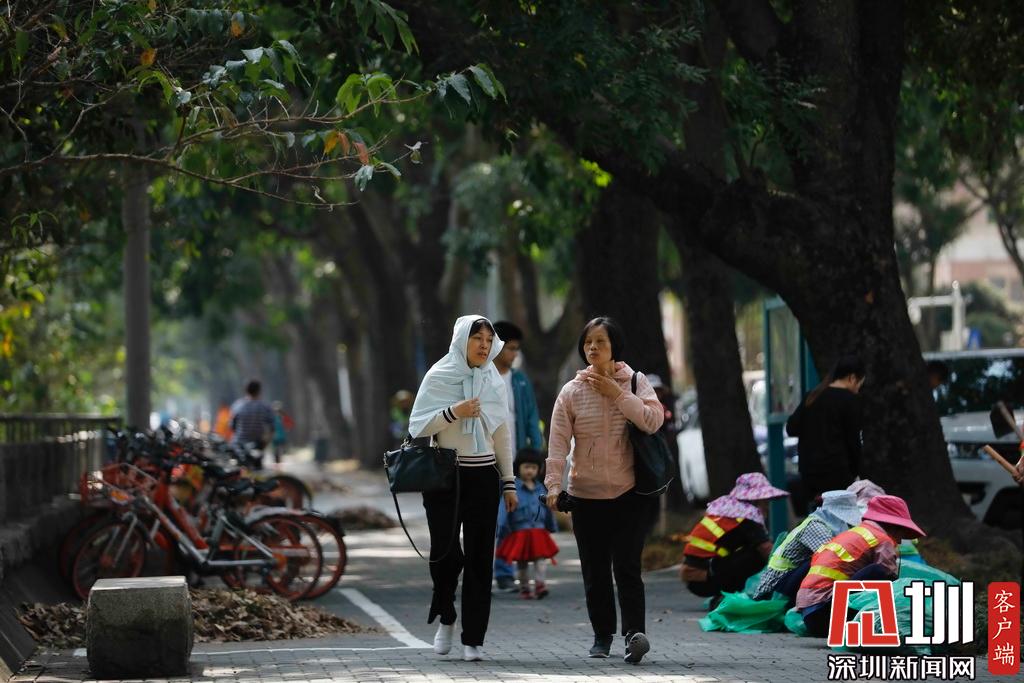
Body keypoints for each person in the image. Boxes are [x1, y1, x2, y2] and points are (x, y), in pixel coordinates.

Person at [544, 316, 664, 664]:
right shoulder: (571, 391)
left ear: (615, 347)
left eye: (600, 342)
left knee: (627, 567)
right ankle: (602, 636)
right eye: (588, 343)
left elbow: (653, 421)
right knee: (595, 571)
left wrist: (618, 394)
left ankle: (634, 635)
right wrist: (553, 485)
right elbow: (558, 443)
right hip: (585, 496)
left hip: (630, 493)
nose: (593, 348)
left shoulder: (636, 382)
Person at [407, 315, 518, 662]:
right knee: (444, 554)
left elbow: (501, 433)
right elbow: (417, 426)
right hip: (444, 477)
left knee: (481, 559)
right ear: (461, 340)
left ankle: (473, 638)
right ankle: (446, 615)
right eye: (477, 338)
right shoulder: (439, 376)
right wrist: (454, 412)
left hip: (484, 477)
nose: (484, 346)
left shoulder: (493, 381)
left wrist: (509, 482)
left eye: (489, 340)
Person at [796, 494, 926, 637]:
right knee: (880, 572)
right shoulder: (882, 539)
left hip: (811, 615)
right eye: (901, 533)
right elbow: (892, 584)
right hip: (826, 615)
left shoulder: (853, 534)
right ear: (893, 526)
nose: (900, 541)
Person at [491, 320, 546, 592]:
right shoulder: (483, 377)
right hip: (487, 460)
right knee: (496, 520)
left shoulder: (520, 380)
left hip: (515, 461)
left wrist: (535, 452)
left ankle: (507, 572)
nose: (514, 354)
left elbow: (531, 416)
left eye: (516, 349)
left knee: (513, 518)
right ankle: (494, 570)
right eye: (510, 348)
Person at [680, 472, 788, 604]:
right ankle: (726, 597)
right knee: (757, 556)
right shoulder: (747, 517)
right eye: (765, 500)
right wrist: (788, 567)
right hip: (704, 579)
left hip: (695, 577)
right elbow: (766, 549)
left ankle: (725, 594)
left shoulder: (727, 509)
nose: (767, 505)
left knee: (749, 551)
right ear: (755, 500)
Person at [753, 490, 863, 604]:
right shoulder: (816, 526)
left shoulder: (833, 526)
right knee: (822, 562)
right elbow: (833, 559)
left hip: (788, 581)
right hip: (775, 588)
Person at [786, 355, 866, 508]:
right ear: (852, 378)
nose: (858, 390)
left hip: (809, 474)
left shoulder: (812, 396)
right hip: (837, 474)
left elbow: (791, 428)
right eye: (859, 384)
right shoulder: (850, 400)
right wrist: (857, 473)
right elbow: (853, 442)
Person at [495, 448, 559, 600]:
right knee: (522, 563)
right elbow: (504, 509)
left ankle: (540, 584)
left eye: (533, 467)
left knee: (540, 560)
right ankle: (524, 587)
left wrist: (551, 526)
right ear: (518, 467)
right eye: (526, 467)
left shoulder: (541, 488)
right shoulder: (512, 489)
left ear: (538, 469)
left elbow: (547, 509)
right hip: (519, 532)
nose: (530, 471)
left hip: (538, 532)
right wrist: (502, 528)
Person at [230, 380, 276, 449]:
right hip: (257, 445)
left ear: (246, 390)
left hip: (239, 444)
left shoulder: (238, 405)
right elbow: (272, 428)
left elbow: (232, 426)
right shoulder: (265, 407)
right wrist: (265, 443)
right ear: (259, 391)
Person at [270, 401, 293, 465]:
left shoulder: (283, 416)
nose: (276, 410)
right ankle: (277, 461)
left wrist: (287, 428)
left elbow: (290, 423)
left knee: (281, 449)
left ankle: (280, 460)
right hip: (275, 436)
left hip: (281, 435)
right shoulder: (272, 416)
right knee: (275, 450)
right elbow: (270, 425)